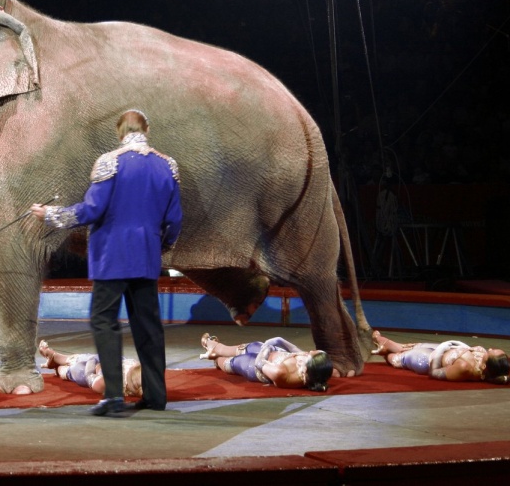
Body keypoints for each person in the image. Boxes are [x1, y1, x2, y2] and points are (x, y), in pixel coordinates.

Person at [31, 109, 182, 416]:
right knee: (149, 327)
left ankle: (113, 394)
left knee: (104, 321)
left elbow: (90, 210)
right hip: (146, 257)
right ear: (147, 129)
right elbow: (174, 220)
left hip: (112, 257)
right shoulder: (168, 165)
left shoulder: (109, 162)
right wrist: (159, 245)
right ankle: (155, 395)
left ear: (119, 131)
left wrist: (51, 214)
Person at [200, 333, 333, 392]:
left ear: (307, 368)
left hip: (254, 367)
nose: (307, 352)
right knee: (248, 346)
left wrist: (267, 347)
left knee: (230, 362)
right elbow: (293, 349)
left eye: (310, 354)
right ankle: (213, 346)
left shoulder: (282, 374)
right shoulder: (307, 365)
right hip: (269, 351)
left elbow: (259, 363)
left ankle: (216, 358)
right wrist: (278, 340)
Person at [371, 330, 509, 384]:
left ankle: (383, 349)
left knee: (395, 357)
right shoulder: (494, 367)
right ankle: (382, 343)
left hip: (427, 360)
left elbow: (434, 373)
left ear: (485, 366)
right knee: (402, 346)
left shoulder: (464, 368)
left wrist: (442, 349)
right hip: (443, 348)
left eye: (490, 352)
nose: (489, 348)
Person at [38, 340, 143, 397]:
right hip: (106, 365)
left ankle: (58, 367)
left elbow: (89, 376)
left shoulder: (104, 383)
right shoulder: (133, 367)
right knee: (90, 357)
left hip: (90, 373)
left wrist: (93, 361)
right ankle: (56, 357)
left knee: (77, 369)